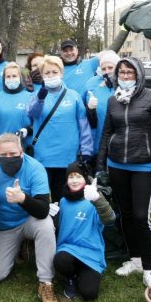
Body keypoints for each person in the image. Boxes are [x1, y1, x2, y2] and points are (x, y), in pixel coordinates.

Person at [96, 57, 151, 287]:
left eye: (130, 72)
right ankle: (134, 259)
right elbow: (107, 132)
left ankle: (148, 268)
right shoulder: (113, 100)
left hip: (144, 165)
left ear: (138, 74)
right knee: (125, 215)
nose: (125, 76)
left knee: (141, 217)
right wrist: (101, 164)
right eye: (122, 73)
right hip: (117, 165)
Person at [0, 133, 59, 302]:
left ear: (21, 152)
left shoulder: (35, 168)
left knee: (46, 225)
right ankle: (20, 247)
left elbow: (42, 210)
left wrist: (22, 198)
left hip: (29, 220)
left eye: (13, 154)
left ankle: (46, 283)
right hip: (3, 226)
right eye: (3, 155)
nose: (8, 158)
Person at [27, 55, 93, 201]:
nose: (51, 76)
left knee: (63, 198)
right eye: (47, 73)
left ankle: (62, 223)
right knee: (41, 198)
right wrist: (40, 99)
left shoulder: (74, 96)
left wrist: (87, 150)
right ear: (42, 75)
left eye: (54, 72)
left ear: (61, 73)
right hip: (43, 156)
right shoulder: (37, 96)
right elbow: (32, 114)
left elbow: (84, 125)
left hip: (68, 157)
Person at [52, 163, 116, 301]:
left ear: (85, 179)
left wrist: (97, 199)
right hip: (68, 249)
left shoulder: (93, 199)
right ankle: (71, 277)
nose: (74, 180)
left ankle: (83, 273)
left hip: (90, 252)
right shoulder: (63, 201)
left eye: (78, 176)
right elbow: (59, 226)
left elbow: (110, 219)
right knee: (60, 260)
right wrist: (51, 216)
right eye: (71, 177)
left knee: (89, 294)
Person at [83, 50, 119, 153]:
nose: (107, 71)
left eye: (110, 67)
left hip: (120, 142)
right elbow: (84, 112)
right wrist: (89, 108)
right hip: (98, 141)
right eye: (103, 68)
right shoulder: (92, 84)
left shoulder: (124, 85)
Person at [0, 62, 33, 146]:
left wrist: (27, 130)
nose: (11, 79)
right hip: (1, 146)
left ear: (20, 77)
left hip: (23, 146)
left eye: (14, 76)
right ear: (4, 79)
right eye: (8, 76)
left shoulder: (31, 97)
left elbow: (36, 123)